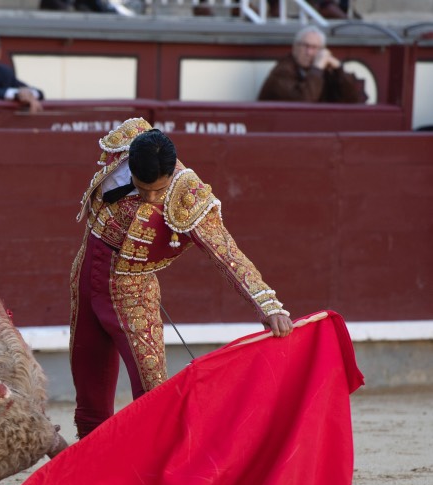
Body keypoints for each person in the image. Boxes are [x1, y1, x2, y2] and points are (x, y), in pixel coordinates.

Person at [70, 117, 293, 439]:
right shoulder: (122, 149)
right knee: (87, 370)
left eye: (157, 190)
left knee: (151, 387)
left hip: (133, 290)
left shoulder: (188, 195)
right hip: (85, 271)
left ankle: (157, 461)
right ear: (129, 164)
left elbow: (226, 253)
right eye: (143, 187)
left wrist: (267, 304)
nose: (149, 198)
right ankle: (88, 457)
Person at [258, 25, 366, 103]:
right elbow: (304, 103)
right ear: (294, 48)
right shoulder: (282, 71)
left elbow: (352, 99)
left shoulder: (324, 71)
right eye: (305, 46)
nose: (309, 52)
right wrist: (317, 68)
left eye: (314, 48)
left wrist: (338, 69)